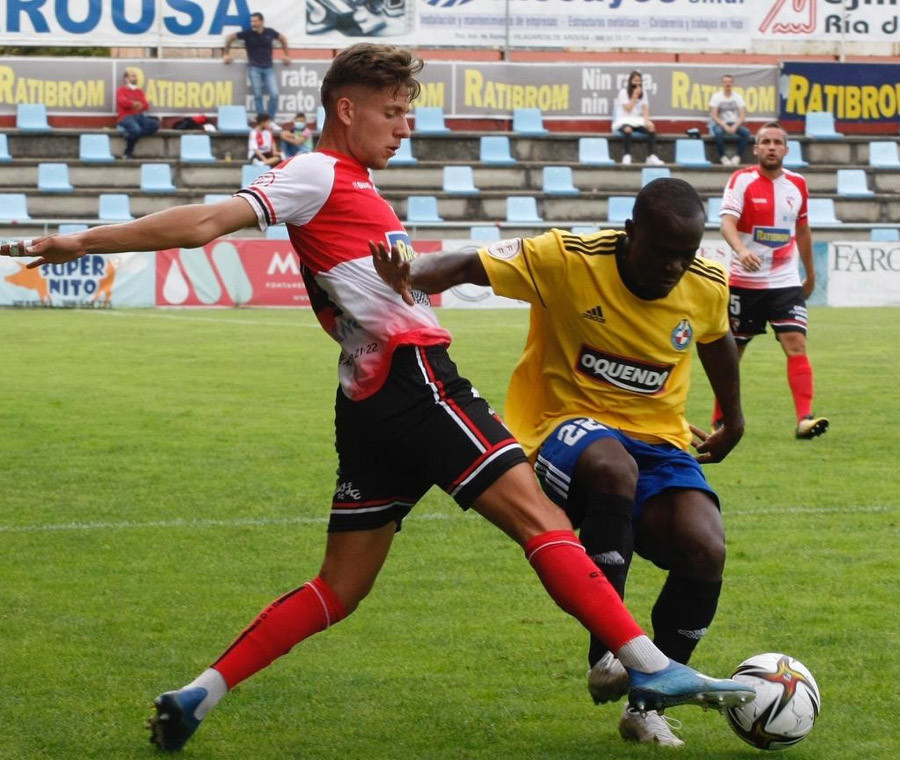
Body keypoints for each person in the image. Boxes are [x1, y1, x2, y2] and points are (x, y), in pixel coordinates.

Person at [0, 44, 752, 754]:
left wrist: (400, 275)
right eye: (392, 110)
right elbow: (204, 222)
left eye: (407, 110)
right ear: (345, 107)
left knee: (340, 586)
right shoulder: (318, 173)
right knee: (541, 518)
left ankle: (199, 692)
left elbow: (375, 282)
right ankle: (646, 662)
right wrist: (78, 242)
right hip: (415, 379)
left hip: (366, 402)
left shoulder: (352, 190)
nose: (404, 124)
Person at [372, 177, 744, 747]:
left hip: (659, 438)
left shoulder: (706, 282)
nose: (675, 267)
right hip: (561, 427)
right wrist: (408, 274)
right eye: (663, 252)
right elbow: (465, 265)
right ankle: (611, 651)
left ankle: (648, 703)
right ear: (630, 233)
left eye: (686, 255)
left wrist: (733, 420)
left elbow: (716, 339)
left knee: (705, 547)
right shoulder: (567, 257)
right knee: (611, 467)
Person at [715, 121, 828, 440]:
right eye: (765, 141)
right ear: (756, 148)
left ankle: (804, 419)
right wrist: (740, 250)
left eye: (777, 142)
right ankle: (720, 419)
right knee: (731, 353)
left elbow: (803, 230)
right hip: (744, 282)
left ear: (786, 149)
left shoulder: (798, 184)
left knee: (796, 343)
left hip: (784, 280)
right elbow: (726, 223)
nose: (771, 146)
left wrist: (810, 272)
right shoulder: (741, 180)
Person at [224, 12, 290, 119]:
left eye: (255, 21)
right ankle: (261, 120)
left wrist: (287, 55)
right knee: (257, 95)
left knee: (274, 95)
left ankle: (270, 120)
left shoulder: (270, 32)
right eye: (251, 21)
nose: (253, 23)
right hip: (254, 68)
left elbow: (282, 38)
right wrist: (226, 54)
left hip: (269, 68)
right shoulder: (248, 33)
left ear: (261, 21)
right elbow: (230, 38)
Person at [612, 71, 663, 166]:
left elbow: (645, 108)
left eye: (639, 81)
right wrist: (635, 95)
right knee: (628, 129)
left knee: (651, 128)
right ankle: (627, 156)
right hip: (624, 120)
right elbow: (628, 109)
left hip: (637, 121)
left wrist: (647, 121)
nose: (637, 83)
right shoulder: (623, 93)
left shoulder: (644, 93)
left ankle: (651, 156)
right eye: (635, 80)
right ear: (630, 81)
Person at [116, 68, 158, 160]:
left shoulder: (139, 91)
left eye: (136, 76)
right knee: (135, 129)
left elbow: (146, 105)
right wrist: (134, 104)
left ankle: (129, 134)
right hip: (126, 117)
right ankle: (127, 153)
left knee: (154, 125)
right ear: (126, 79)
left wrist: (138, 105)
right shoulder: (121, 90)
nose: (135, 78)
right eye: (133, 76)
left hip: (139, 116)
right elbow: (123, 102)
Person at [709, 74, 751, 166]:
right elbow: (714, 116)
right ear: (722, 84)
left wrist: (735, 126)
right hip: (720, 123)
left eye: (729, 82)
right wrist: (724, 125)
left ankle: (737, 157)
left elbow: (742, 115)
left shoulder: (738, 97)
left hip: (734, 122)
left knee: (746, 133)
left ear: (732, 83)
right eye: (725, 82)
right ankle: (723, 157)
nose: (727, 84)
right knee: (718, 133)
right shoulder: (716, 97)